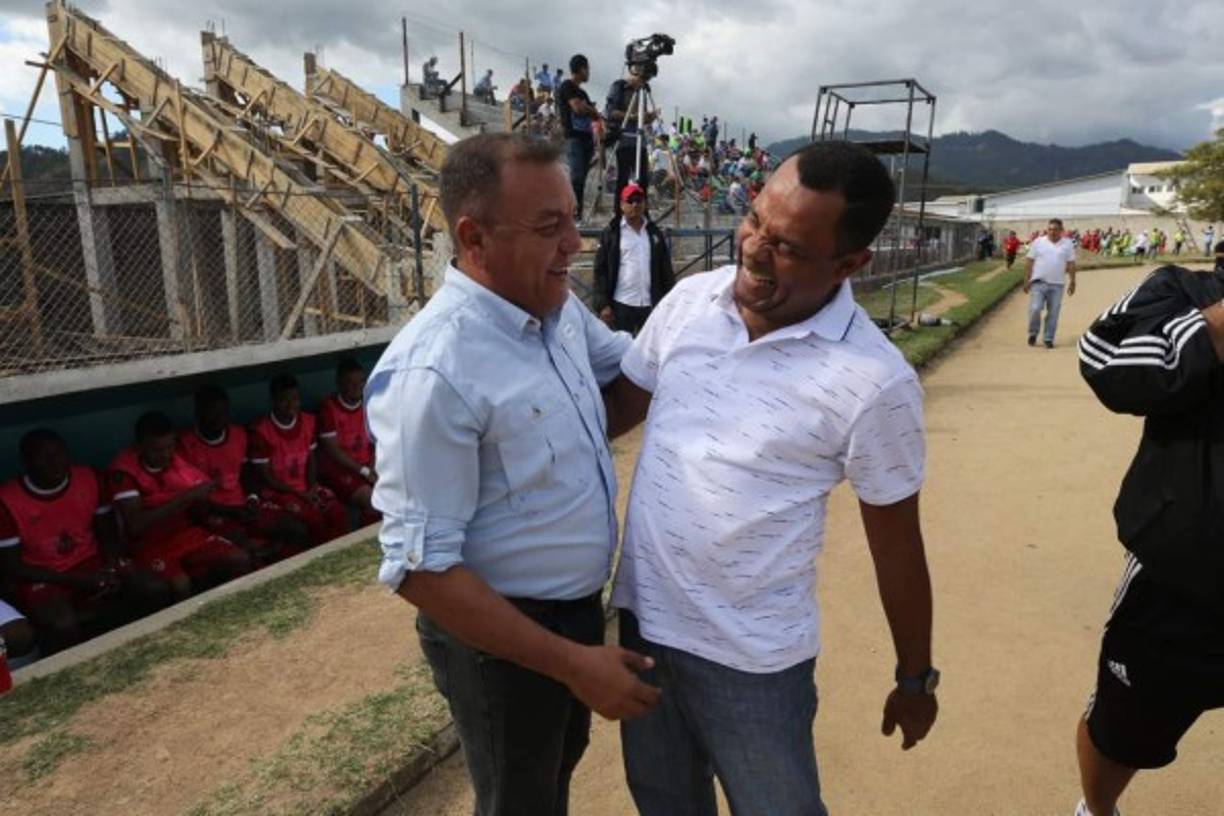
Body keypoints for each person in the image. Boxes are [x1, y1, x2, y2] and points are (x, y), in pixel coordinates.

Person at [607, 140, 937, 816]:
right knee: (664, 804)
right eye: (755, 219)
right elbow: (613, 414)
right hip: (645, 633)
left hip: (753, 664)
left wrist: (915, 678)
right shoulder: (690, 302)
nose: (754, 248)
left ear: (850, 263)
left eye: (786, 246)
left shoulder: (874, 381)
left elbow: (898, 546)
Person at [365, 132, 660, 815]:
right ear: (474, 238)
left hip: (571, 614)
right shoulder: (434, 372)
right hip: (504, 641)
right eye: (549, 227)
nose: (574, 246)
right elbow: (421, 569)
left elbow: (627, 380)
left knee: (550, 778)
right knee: (519, 800)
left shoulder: (555, 310)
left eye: (573, 221)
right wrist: (574, 662)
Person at [1073, 257, 1224, 816]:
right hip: (1181, 581)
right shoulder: (1183, 289)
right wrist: (1211, 328)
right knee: (1123, 730)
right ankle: (1097, 810)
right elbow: (1103, 359)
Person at [0, 429, 171, 653]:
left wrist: (110, 567)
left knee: (153, 587)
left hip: (91, 562)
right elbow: (13, 567)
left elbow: (108, 534)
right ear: (26, 461)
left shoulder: (88, 477)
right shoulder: (7, 500)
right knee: (63, 624)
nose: (54, 462)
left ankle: (158, 650)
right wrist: (73, 580)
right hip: (43, 575)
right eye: (43, 457)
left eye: (59, 453)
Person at [110, 412, 251, 599]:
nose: (166, 455)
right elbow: (136, 526)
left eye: (170, 447)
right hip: (149, 543)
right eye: (157, 450)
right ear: (139, 446)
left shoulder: (178, 463)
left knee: (239, 558)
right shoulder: (125, 470)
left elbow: (199, 504)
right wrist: (187, 497)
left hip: (183, 533)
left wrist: (206, 503)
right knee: (181, 585)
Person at [178, 385, 310, 564]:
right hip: (215, 513)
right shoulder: (185, 444)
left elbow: (247, 473)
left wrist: (252, 498)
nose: (219, 418)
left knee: (296, 528)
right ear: (198, 413)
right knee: (245, 552)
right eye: (212, 413)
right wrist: (231, 511)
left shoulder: (238, 433)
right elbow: (192, 501)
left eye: (223, 412)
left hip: (243, 507)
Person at [248, 375, 349, 546]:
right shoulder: (261, 431)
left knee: (337, 511)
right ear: (273, 401)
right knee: (313, 519)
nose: (290, 405)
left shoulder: (308, 421)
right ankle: (321, 557)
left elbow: (311, 459)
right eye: (284, 400)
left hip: (305, 487)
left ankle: (342, 553)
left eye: (294, 399)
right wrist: (298, 494)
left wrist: (311, 487)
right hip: (278, 493)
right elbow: (265, 476)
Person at [592, 183, 675, 335]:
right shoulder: (612, 233)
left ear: (645, 204)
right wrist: (602, 304)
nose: (635, 205)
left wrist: (671, 300)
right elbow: (600, 270)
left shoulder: (654, 233)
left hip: (650, 304)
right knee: (622, 347)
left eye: (638, 200)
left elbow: (665, 269)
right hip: (622, 303)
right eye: (630, 201)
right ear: (622, 205)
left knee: (650, 347)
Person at [317, 357, 379, 527]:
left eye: (361, 381)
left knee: (399, 491)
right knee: (372, 500)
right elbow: (333, 452)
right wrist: (365, 471)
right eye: (350, 383)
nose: (357, 387)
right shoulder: (328, 408)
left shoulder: (368, 403)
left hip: (366, 467)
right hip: (339, 471)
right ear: (339, 384)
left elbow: (375, 441)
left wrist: (373, 466)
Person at [605, 67, 656, 216]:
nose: (644, 82)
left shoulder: (642, 92)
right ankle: (619, 213)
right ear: (634, 73)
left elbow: (642, 118)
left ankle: (643, 213)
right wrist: (632, 116)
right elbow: (611, 112)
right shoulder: (619, 87)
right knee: (623, 179)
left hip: (639, 142)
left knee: (643, 180)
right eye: (643, 78)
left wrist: (649, 117)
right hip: (624, 140)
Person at [556, 54, 601, 221]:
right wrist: (589, 109)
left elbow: (594, 115)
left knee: (581, 180)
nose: (589, 72)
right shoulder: (567, 86)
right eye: (587, 68)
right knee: (576, 177)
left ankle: (577, 216)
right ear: (581, 68)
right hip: (573, 138)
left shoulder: (583, 93)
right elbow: (578, 108)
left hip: (586, 139)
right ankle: (570, 215)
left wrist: (589, 109)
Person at [1024, 218, 1077, 348]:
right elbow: (1029, 261)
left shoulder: (1067, 244)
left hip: (1057, 285)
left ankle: (1048, 337)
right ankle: (1033, 333)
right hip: (1039, 282)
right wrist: (1026, 280)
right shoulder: (1038, 242)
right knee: (1035, 308)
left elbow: (1071, 263)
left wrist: (1073, 281)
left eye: (1055, 229)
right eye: (1050, 229)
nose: (1052, 232)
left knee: (1053, 312)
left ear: (1061, 230)